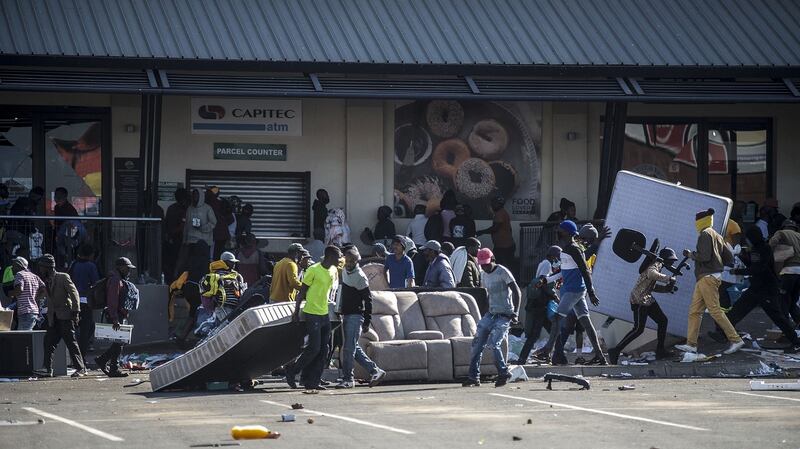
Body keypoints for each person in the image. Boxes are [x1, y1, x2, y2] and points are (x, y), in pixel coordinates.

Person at [709, 226, 800, 351]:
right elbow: (754, 265)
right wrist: (741, 256)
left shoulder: (762, 249)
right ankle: (723, 332)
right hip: (757, 287)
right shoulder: (757, 249)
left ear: (753, 237)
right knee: (738, 310)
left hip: (766, 289)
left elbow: (758, 268)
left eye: (748, 238)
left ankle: (796, 342)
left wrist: (737, 271)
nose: (747, 241)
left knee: (777, 317)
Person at [533, 220, 607, 365]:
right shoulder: (566, 249)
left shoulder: (573, 248)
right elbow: (563, 272)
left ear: (567, 232)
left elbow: (584, 269)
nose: (557, 231)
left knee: (557, 318)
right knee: (586, 323)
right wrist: (546, 280)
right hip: (574, 291)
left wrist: (591, 291)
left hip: (574, 290)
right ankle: (600, 356)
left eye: (560, 229)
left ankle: (547, 351)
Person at [676, 208, 744, 355]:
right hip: (710, 277)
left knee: (714, 310)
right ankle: (691, 344)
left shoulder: (704, 234)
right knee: (695, 311)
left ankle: (736, 339)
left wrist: (690, 254)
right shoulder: (718, 235)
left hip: (707, 277)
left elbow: (704, 256)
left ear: (700, 222)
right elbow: (729, 258)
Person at [462, 248, 520, 387]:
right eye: (482, 265)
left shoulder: (502, 272)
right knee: (477, 344)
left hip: (504, 315)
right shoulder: (483, 275)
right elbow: (488, 296)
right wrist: (484, 314)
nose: (485, 267)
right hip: (491, 314)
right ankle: (473, 377)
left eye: (486, 264)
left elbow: (517, 291)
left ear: (492, 260)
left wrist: (515, 313)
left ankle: (503, 372)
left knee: (495, 344)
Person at [286, 246, 342, 390]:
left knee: (325, 349)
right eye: (338, 257)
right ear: (329, 256)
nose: (340, 259)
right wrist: (296, 312)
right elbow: (302, 292)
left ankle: (312, 381)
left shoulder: (333, 270)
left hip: (324, 313)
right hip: (312, 313)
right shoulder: (313, 270)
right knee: (314, 347)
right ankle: (292, 371)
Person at [608, 248, 678, 364]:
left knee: (662, 321)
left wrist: (667, 288)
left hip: (647, 298)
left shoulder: (658, 265)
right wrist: (668, 278)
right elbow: (651, 274)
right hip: (640, 299)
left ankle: (660, 350)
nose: (672, 263)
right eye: (671, 260)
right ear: (666, 259)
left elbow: (651, 286)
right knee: (638, 329)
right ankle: (615, 350)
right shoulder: (656, 264)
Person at [336, 247, 386, 388]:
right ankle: (376, 371)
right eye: (347, 260)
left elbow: (368, 300)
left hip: (355, 316)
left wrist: (367, 321)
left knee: (348, 349)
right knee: (353, 347)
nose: (349, 263)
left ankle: (348, 379)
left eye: (352, 261)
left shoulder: (360, 276)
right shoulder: (345, 270)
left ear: (357, 261)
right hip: (346, 314)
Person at [36, 254, 86, 377]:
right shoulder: (47, 281)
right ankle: (47, 369)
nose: (40, 270)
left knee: (71, 343)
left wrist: (75, 312)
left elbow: (74, 294)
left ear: (48, 267)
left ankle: (81, 368)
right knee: (48, 342)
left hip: (65, 316)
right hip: (53, 318)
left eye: (42, 267)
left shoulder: (63, 277)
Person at [515, 246, 560, 364]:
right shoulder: (546, 264)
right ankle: (522, 359)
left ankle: (553, 356)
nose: (558, 260)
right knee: (535, 334)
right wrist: (555, 296)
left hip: (540, 304)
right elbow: (543, 282)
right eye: (558, 257)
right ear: (553, 256)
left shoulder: (543, 263)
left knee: (553, 331)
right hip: (540, 305)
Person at [95, 257, 138, 378]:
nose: (129, 271)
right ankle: (111, 366)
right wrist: (114, 319)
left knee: (120, 341)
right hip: (115, 315)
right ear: (120, 267)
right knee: (119, 342)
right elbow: (112, 300)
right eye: (127, 268)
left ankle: (105, 362)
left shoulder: (118, 279)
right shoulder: (115, 280)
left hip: (118, 314)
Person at [68, 245, 100, 362]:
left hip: (74, 301)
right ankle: (81, 357)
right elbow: (96, 283)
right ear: (91, 255)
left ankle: (75, 356)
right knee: (87, 329)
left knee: (76, 329)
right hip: (86, 302)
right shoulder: (91, 266)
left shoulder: (74, 265)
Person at [201, 251, 247, 325]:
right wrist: (228, 282)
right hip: (223, 308)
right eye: (232, 262)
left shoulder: (235, 275)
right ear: (225, 262)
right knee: (225, 328)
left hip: (234, 307)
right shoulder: (218, 274)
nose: (234, 264)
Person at [769, 219, 800, 326]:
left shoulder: (781, 233)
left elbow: (772, 243)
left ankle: (785, 328)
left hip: (788, 272)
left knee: (783, 301)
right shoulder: (799, 235)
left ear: (784, 227)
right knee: (792, 301)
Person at [477, 196, 515, 270]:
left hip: (504, 247)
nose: (492, 205)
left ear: (499, 204)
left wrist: (481, 232)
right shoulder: (500, 212)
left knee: (503, 267)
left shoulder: (500, 213)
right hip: (502, 245)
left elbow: (495, 228)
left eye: (494, 203)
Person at [9, 256, 44, 331]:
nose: (12, 268)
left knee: (23, 338)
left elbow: (19, 290)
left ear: (19, 265)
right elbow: (44, 289)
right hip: (34, 311)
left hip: (25, 312)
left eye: (14, 265)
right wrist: (35, 298)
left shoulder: (19, 274)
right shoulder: (34, 276)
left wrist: (10, 293)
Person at [163, 188, 189, 282]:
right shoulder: (185, 209)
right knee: (179, 263)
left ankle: (172, 281)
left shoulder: (171, 208)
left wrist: (168, 235)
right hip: (179, 240)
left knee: (172, 263)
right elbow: (182, 226)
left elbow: (166, 224)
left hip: (172, 239)